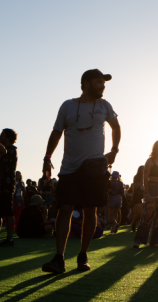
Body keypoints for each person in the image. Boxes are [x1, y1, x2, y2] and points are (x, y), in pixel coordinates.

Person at [41, 69, 121, 273]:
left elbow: (116, 127)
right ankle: (59, 258)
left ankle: (83, 255)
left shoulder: (104, 105)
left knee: (90, 210)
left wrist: (114, 150)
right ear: (85, 83)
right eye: (98, 82)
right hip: (69, 167)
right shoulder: (67, 106)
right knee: (65, 209)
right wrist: (48, 156)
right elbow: (56, 132)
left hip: (95, 168)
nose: (102, 85)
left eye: (104, 82)